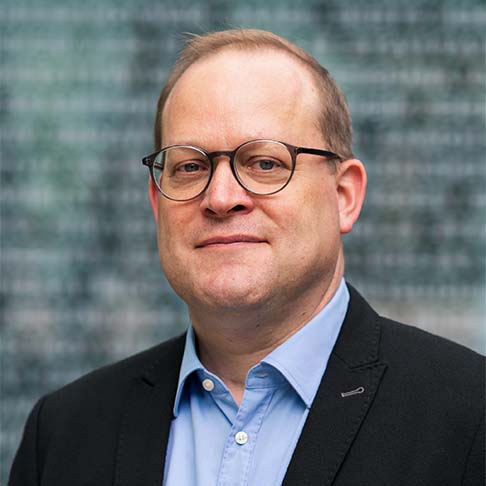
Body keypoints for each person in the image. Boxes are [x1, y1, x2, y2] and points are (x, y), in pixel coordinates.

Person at [9, 29, 484, 486]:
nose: (220, 197)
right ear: (157, 204)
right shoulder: (63, 434)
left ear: (344, 196)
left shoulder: (469, 416)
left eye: (264, 163)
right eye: (190, 167)